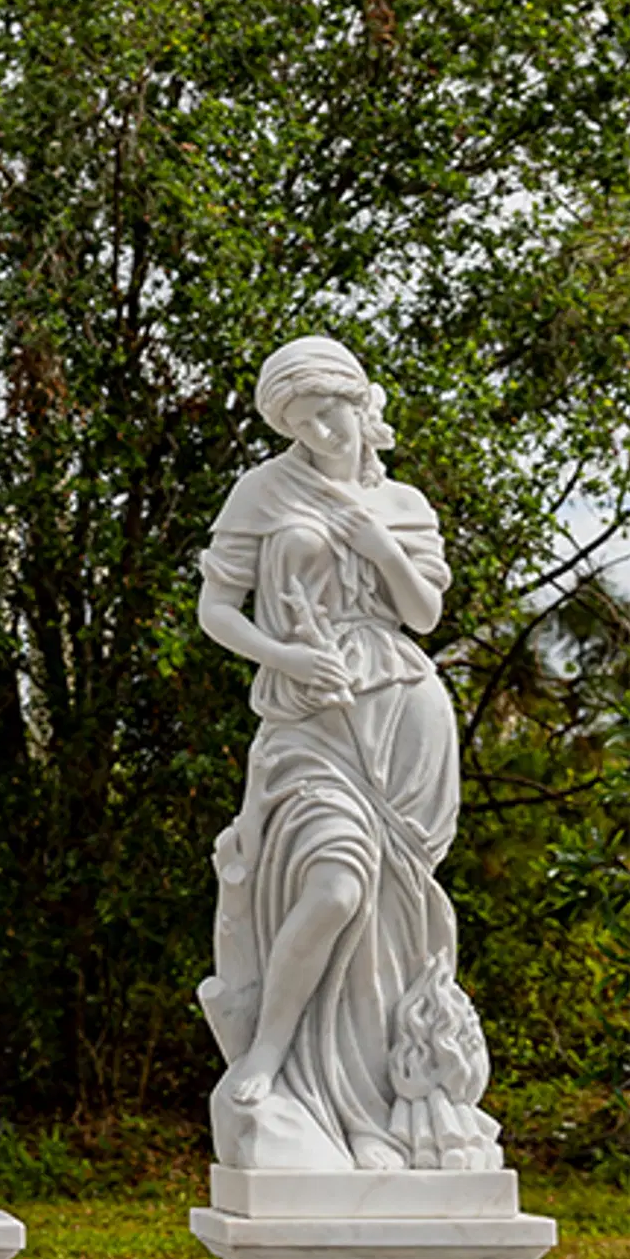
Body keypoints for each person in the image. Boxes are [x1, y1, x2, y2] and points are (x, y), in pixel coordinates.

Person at [196, 333, 498, 1171]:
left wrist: (375, 539)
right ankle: (270, 1057)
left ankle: (371, 1111)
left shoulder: (402, 503)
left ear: (361, 402)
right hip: (309, 714)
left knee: (391, 921)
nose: (321, 429)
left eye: (331, 408)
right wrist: (284, 655)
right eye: (300, 416)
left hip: (403, 709)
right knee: (333, 887)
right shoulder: (264, 488)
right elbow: (217, 609)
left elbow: (425, 613)